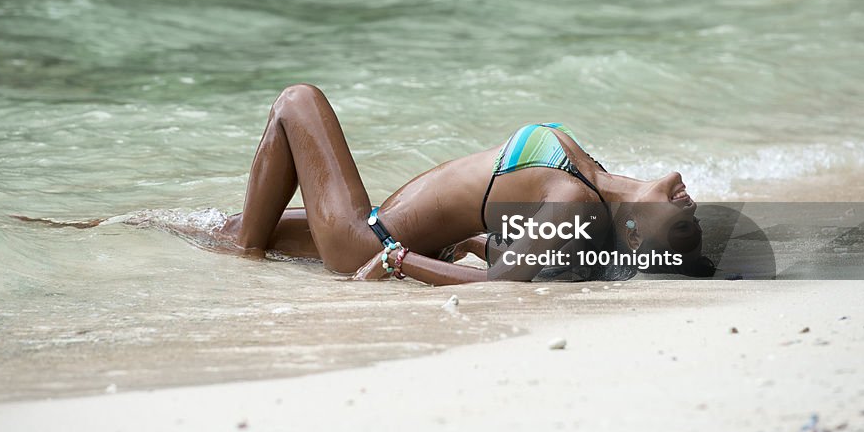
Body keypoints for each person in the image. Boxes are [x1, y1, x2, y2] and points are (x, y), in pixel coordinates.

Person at [208, 84, 703, 285]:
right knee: (220, 229)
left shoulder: (576, 202)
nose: (691, 210)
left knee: (298, 101)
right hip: (381, 225)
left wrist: (397, 261)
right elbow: (521, 252)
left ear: (637, 235)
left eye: (680, 232)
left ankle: (242, 267)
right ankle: (229, 247)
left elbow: (499, 288)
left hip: (368, 239)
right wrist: (467, 241)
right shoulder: (590, 180)